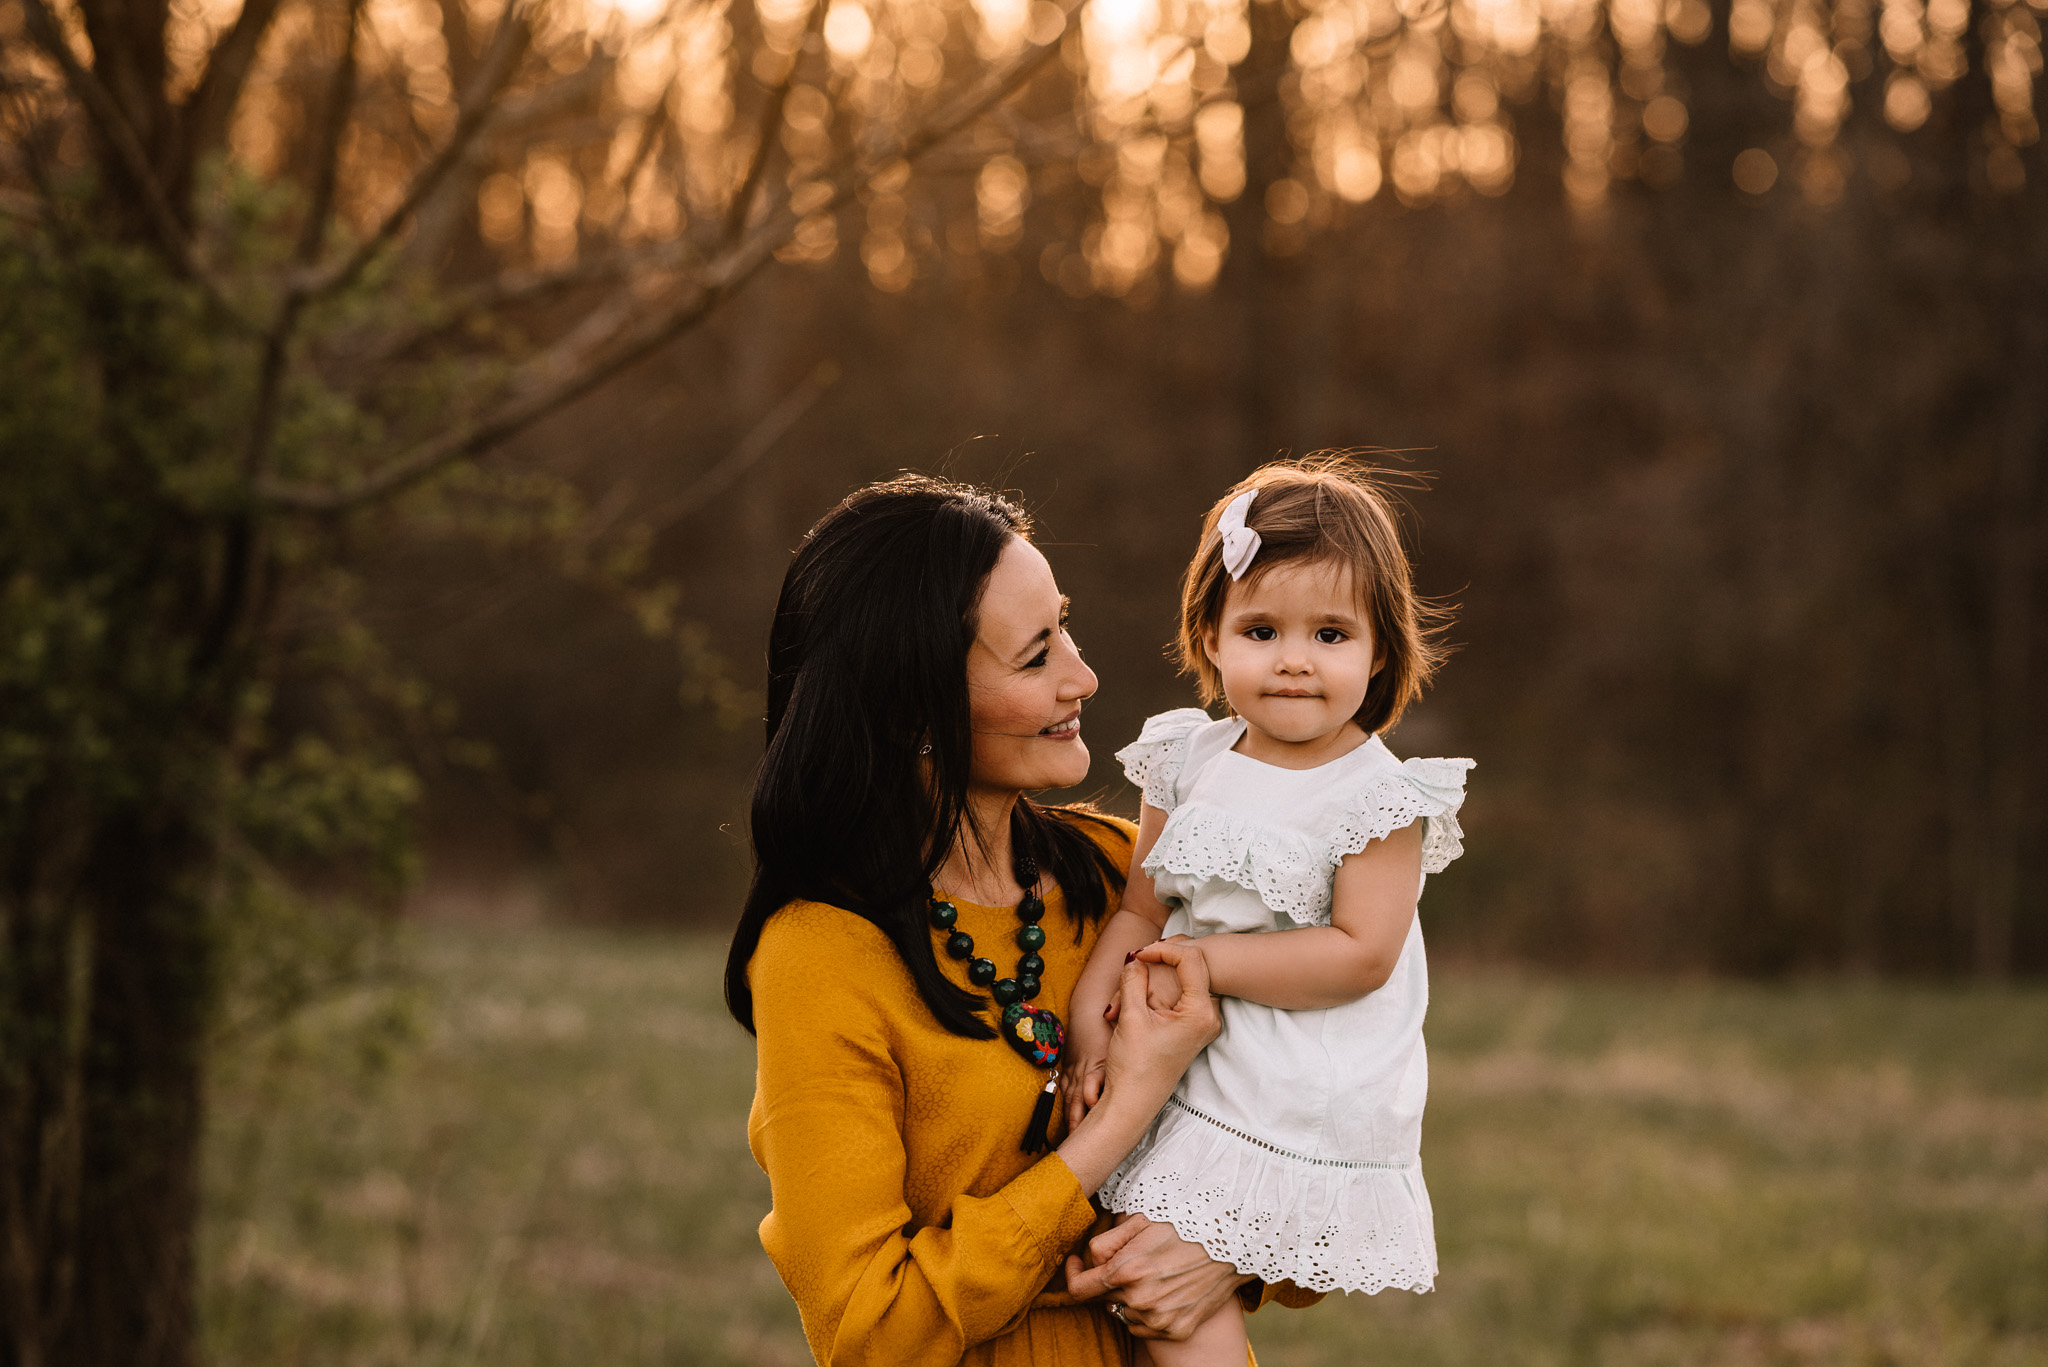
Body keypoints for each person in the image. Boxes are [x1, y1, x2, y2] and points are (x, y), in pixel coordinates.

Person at [725, 475, 1319, 1367]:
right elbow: (868, 1328)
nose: (1083, 675)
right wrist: (1117, 1121)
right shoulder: (822, 954)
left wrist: (1221, 1252)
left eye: (1065, 627)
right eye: (1036, 655)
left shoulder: (1131, 878)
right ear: (911, 710)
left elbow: (1324, 1137)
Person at [1060, 457, 1475, 1365]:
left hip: (1300, 1081)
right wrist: (1092, 1012)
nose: (1294, 658)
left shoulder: (1377, 798)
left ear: (1379, 650)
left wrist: (1209, 963)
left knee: (1168, 1287)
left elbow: (1363, 952)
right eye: (1261, 628)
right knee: (1124, 1258)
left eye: (1330, 633)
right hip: (1192, 1047)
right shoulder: (1189, 759)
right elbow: (1141, 905)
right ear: (1210, 637)